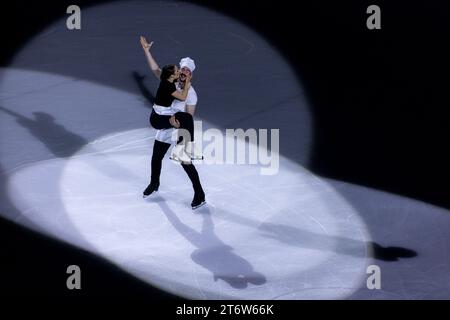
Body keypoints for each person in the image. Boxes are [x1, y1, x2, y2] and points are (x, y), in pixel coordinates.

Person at [140, 36, 206, 210]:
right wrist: (147, 50)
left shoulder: (191, 93)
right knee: (156, 157)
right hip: (165, 122)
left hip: (178, 126)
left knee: (185, 163)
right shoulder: (171, 80)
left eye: (187, 72)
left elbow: (189, 116)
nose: (183, 73)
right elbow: (155, 70)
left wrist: (180, 133)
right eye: (182, 70)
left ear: (191, 75)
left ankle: (199, 193)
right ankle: (154, 184)